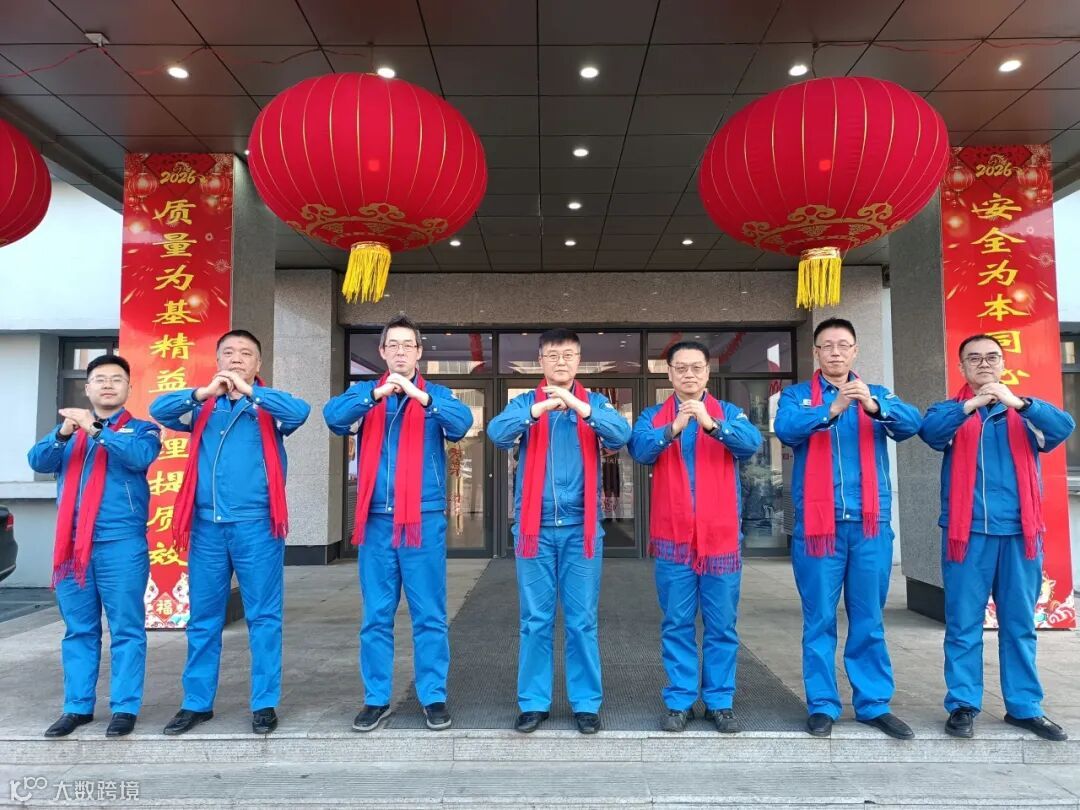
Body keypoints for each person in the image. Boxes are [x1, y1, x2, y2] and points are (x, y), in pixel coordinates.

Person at [150, 329, 310, 736]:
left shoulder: (268, 407)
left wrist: (251, 393)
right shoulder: (202, 407)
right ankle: (196, 702)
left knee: (263, 616)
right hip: (207, 526)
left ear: (258, 364)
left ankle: (264, 703)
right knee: (203, 618)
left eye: (246, 354)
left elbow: (300, 411)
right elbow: (159, 409)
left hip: (257, 525)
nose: (236, 359)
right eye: (229, 353)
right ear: (217, 359)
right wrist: (203, 393)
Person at [919, 333, 1075, 741]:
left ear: (1004, 364)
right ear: (961, 367)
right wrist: (971, 405)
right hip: (967, 535)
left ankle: (1024, 707)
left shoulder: (1025, 411)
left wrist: (1019, 403)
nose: (984, 364)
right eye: (974, 358)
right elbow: (930, 432)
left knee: (1019, 624)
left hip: (1020, 535)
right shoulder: (951, 412)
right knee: (963, 624)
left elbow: (1063, 427)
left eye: (992, 357)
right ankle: (963, 704)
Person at [323, 314, 473, 732]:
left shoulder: (436, 394)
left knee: (429, 614)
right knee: (376, 615)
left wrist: (420, 397)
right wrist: (375, 395)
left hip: (422, 519)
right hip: (376, 520)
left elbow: (461, 424)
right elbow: (333, 417)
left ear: (419, 352)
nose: (401, 351)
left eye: (409, 345)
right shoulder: (365, 393)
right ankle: (375, 698)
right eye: (394, 345)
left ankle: (433, 696)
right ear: (383, 352)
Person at [775, 317, 921, 739]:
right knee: (819, 618)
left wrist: (874, 408)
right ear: (816, 353)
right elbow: (786, 429)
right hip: (819, 527)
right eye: (827, 345)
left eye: (843, 345)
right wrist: (831, 409)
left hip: (869, 524)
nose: (835, 352)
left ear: (855, 351)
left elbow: (912, 424)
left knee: (868, 617)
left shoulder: (876, 394)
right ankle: (822, 704)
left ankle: (873, 703)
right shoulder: (797, 396)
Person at [488, 328, 631, 735]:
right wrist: (538, 410)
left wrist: (580, 408)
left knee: (582, 621)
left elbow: (620, 434)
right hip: (533, 531)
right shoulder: (525, 403)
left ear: (579, 360)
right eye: (553, 355)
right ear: (541, 361)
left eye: (568, 354)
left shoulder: (594, 403)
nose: (561, 361)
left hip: (581, 531)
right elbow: (497, 433)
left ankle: (586, 703)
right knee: (535, 620)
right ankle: (533, 702)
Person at [628, 341, 762, 733]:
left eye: (696, 367)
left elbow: (750, 444)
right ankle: (680, 700)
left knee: (722, 626)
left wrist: (711, 425)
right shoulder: (654, 416)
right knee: (677, 623)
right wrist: (672, 429)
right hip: (674, 541)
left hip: (720, 540)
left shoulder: (728, 413)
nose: (689, 374)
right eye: (681, 368)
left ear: (707, 372)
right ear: (669, 373)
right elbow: (639, 449)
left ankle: (720, 701)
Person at [28, 354, 161, 738]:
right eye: (99, 379)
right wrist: (64, 433)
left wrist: (97, 429)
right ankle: (77, 706)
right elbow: (38, 460)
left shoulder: (142, 430)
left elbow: (138, 457)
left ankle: (124, 707)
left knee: (126, 628)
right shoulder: (68, 433)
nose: (107, 384)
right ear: (87, 388)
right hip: (71, 546)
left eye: (116, 379)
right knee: (79, 629)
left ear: (129, 388)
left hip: (121, 544)